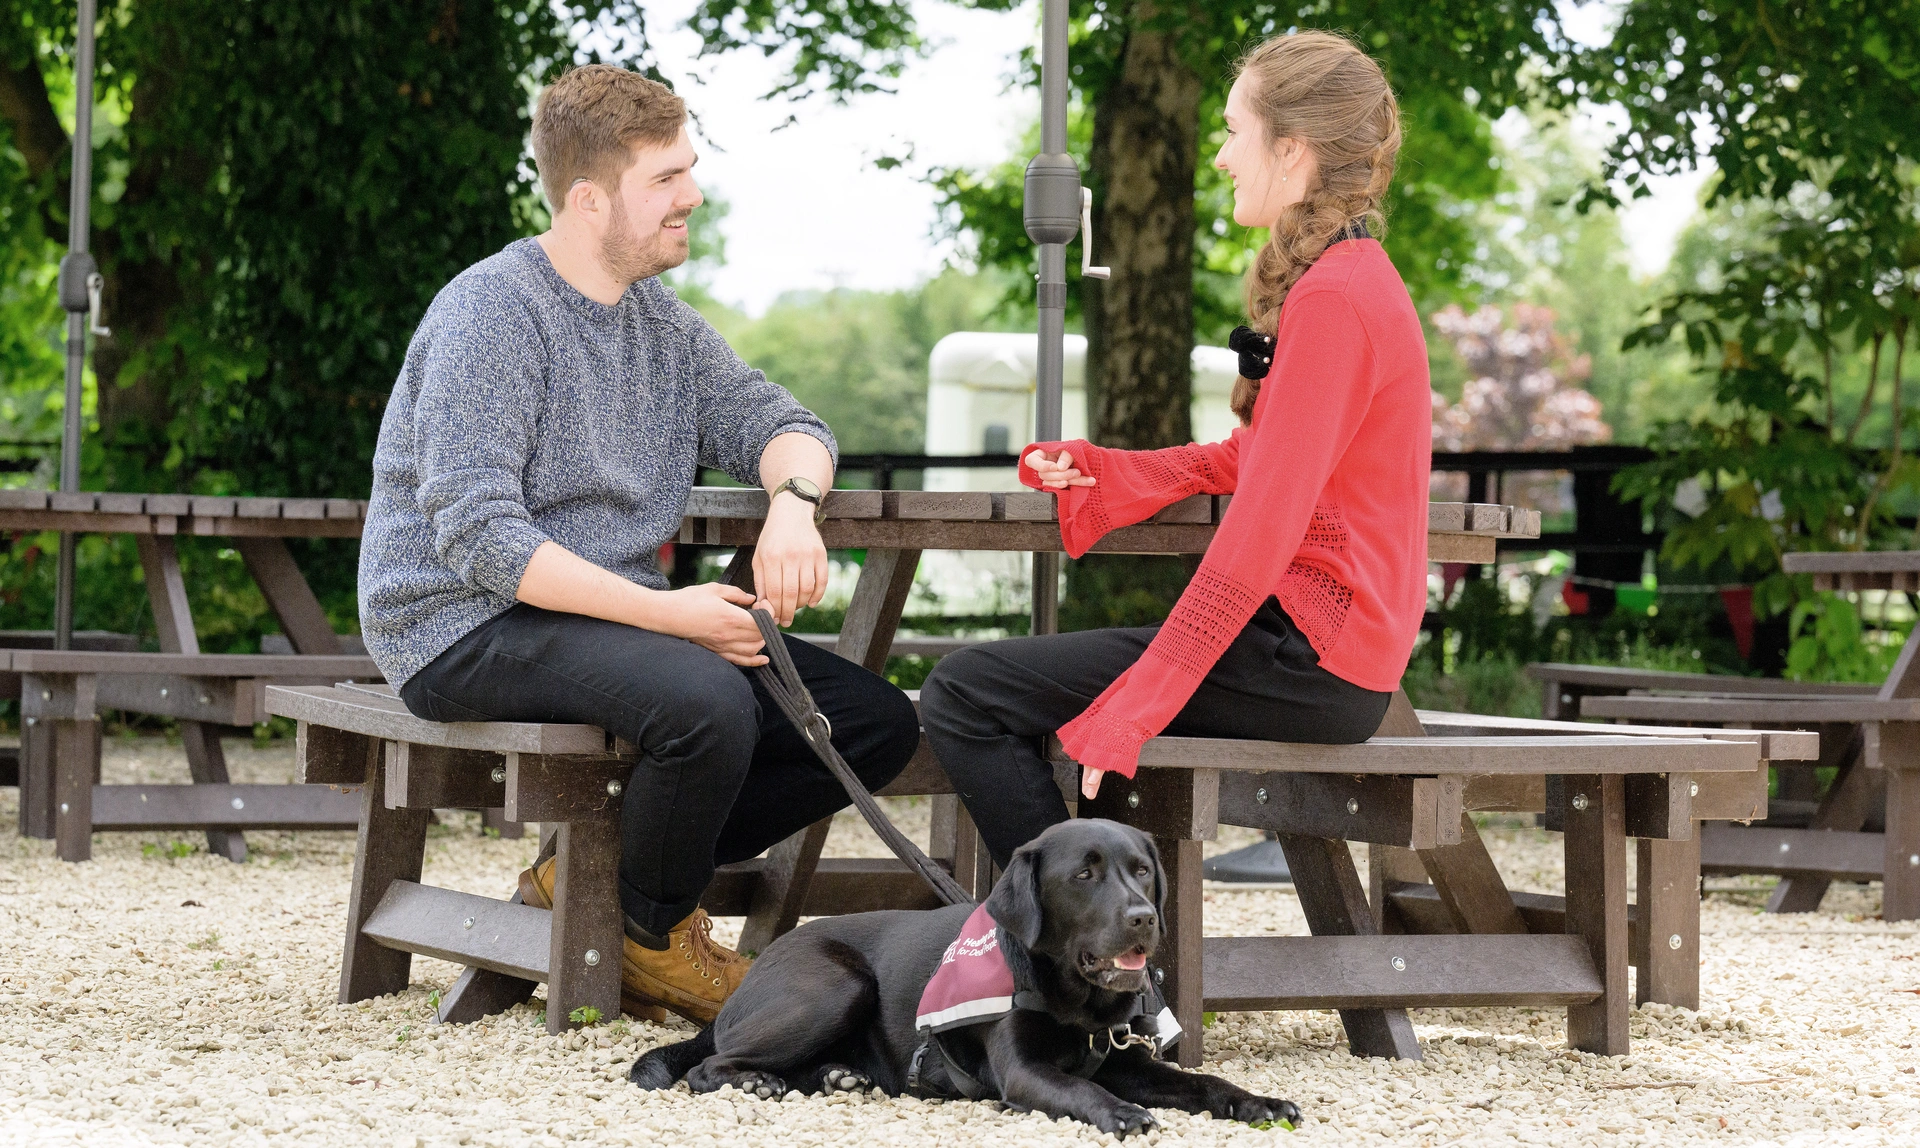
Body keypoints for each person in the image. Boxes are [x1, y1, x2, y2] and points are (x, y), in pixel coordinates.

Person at [357, 65, 920, 1024]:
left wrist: (791, 505)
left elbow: (784, 423)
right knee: (705, 702)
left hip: (605, 624)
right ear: (589, 199)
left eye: (689, 170)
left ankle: (594, 886)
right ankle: (652, 934)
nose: (692, 195)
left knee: (872, 726)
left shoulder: (662, 324)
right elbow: (480, 537)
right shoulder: (490, 312)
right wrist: (671, 616)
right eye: (667, 177)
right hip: (458, 623)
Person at [920, 31, 1429, 868]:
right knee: (991, 689)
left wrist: (1142, 701)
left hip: (1310, 663)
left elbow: (1262, 527)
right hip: (1318, 657)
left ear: (1292, 148)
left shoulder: (1338, 297)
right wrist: (1109, 472)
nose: (1223, 156)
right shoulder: (1347, 278)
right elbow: (1258, 458)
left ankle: (1075, 953)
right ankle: (1084, 946)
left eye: (1235, 132)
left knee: (967, 692)